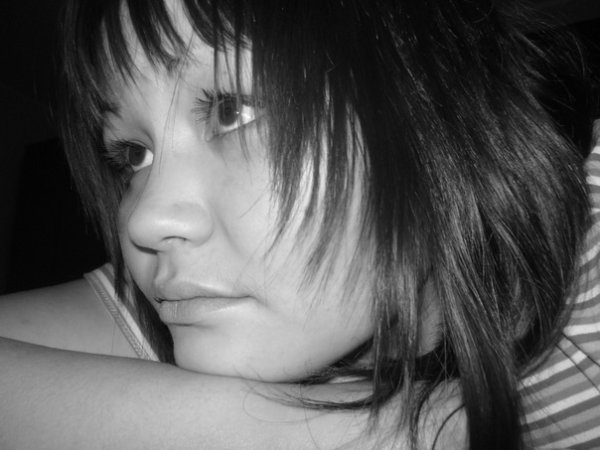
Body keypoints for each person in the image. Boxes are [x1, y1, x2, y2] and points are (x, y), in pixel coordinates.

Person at [0, 0, 598, 448]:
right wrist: (385, 433)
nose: (146, 221)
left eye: (231, 111)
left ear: (433, 105)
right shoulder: (190, 293)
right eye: (133, 154)